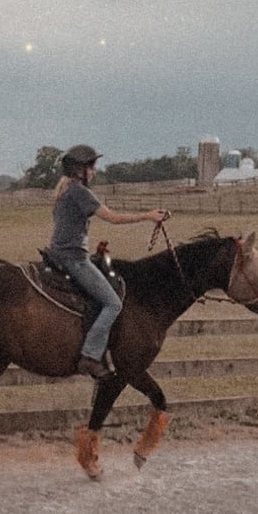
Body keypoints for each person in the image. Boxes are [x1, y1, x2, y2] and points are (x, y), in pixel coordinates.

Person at [47, 144, 167, 379]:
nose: (94, 171)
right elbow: (111, 217)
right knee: (113, 303)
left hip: (58, 254)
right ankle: (90, 356)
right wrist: (147, 216)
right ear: (79, 169)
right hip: (74, 258)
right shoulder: (80, 192)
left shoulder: (64, 190)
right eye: (91, 166)